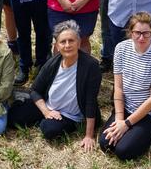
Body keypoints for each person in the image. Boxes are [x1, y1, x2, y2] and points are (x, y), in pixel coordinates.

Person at [7, 20, 102, 152]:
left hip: (70, 115)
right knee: (13, 118)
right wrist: (46, 111)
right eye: (63, 42)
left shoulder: (91, 66)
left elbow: (90, 101)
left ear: (79, 43)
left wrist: (89, 135)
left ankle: (52, 121)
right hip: (49, 106)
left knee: (49, 130)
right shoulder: (52, 63)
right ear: (56, 45)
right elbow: (35, 90)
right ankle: (41, 115)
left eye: (71, 40)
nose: (67, 45)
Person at [98, 12, 151, 161]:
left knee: (123, 151)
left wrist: (126, 124)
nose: (141, 38)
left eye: (146, 33)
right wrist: (119, 119)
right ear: (130, 32)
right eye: (137, 33)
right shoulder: (121, 49)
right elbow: (118, 87)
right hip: (126, 106)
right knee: (105, 144)